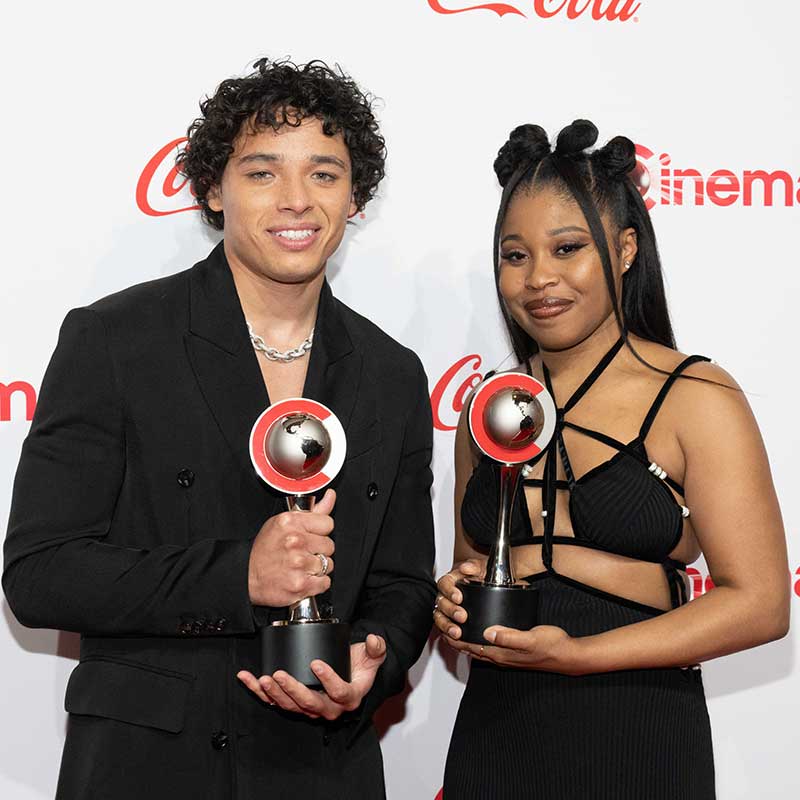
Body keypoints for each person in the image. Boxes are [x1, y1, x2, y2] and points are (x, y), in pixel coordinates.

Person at [3, 58, 435, 800]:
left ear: (355, 195)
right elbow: (40, 572)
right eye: (263, 172)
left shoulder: (391, 373)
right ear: (212, 188)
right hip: (151, 767)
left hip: (320, 768)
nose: (296, 200)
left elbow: (401, 584)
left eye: (325, 174)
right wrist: (239, 575)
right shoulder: (116, 339)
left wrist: (370, 660)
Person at [433, 119, 789, 799]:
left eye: (567, 249)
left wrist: (579, 656)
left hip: (638, 725)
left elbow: (764, 604)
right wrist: (453, 601)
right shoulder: (488, 404)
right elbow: (471, 566)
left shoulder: (695, 395)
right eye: (515, 256)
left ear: (625, 249)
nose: (540, 279)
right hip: (497, 731)